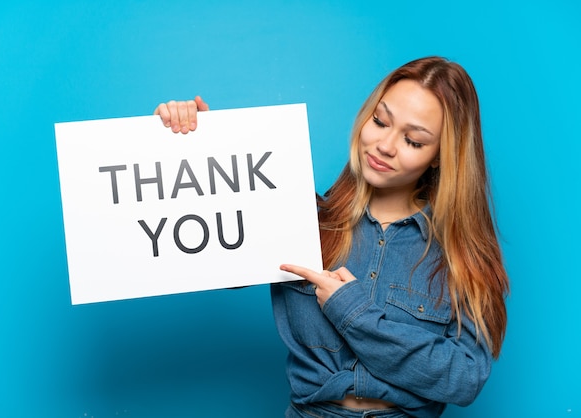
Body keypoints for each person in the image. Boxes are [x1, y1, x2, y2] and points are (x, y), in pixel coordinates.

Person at [154, 56, 509, 418]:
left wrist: (351, 310)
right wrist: (189, 144)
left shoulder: (460, 254)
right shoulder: (298, 216)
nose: (385, 145)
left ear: (439, 156)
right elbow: (212, 264)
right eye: (380, 121)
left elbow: (465, 378)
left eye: (413, 141)